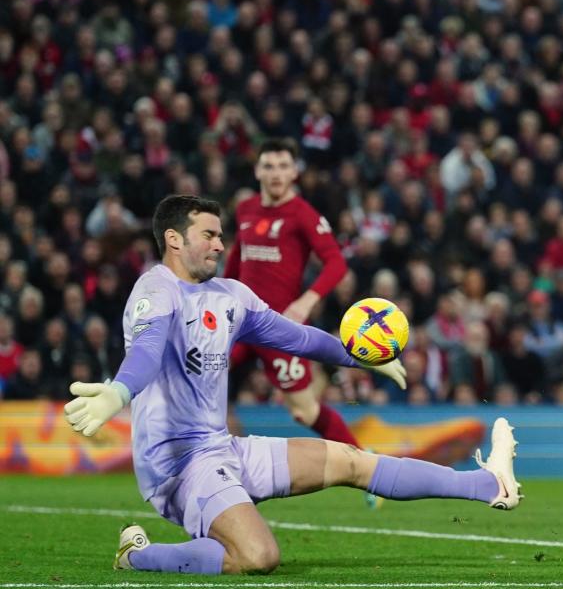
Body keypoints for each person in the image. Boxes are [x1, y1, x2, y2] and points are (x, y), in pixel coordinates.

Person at [62, 195, 522, 575]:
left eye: (222, 235)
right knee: (258, 557)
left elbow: (298, 338)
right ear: (174, 239)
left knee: (351, 461)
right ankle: (138, 555)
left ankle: (487, 485)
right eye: (209, 235)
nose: (221, 245)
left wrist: (363, 358)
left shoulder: (231, 296)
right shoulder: (155, 290)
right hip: (178, 464)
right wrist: (119, 392)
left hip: (222, 449)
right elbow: (147, 349)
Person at [223, 138, 360, 449]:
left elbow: (336, 263)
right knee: (203, 371)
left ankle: (365, 463)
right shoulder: (245, 209)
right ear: (257, 171)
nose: (276, 173)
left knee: (303, 411)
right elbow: (237, 259)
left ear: (294, 173)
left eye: (283, 166)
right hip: (241, 322)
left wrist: (306, 302)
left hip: (279, 326)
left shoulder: (302, 214)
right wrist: (216, 294)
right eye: (269, 166)